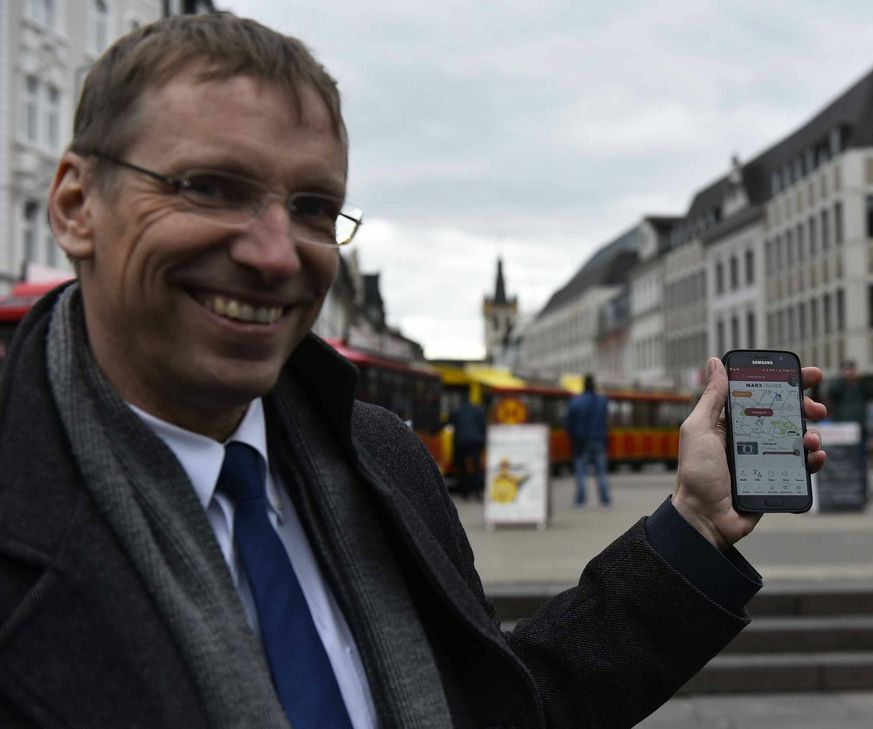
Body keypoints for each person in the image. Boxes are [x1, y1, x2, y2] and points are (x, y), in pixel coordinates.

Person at [0, 14, 829, 728]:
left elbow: (505, 710)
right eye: (212, 187)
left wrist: (696, 522)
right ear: (75, 204)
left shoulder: (381, 461)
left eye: (315, 208)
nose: (274, 252)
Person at [566, 374, 611, 509]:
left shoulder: (575, 401)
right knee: (601, 473)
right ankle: (605, 501)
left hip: (581, 442)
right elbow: (605, 422)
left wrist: (574, 438)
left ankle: (580, 502)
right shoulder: (602, 401)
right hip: (598, 440)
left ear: (583, 385)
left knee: (581, 474)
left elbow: (569, 423)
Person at [449, 398, 486, 500]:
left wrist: (433, 430)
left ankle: (465, 493)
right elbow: (483, 427)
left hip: (462, 442)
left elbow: (449, 424)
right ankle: (478, 493)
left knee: (463, 467)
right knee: (477, 466)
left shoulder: (457, 412)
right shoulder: (478, 411)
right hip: (476, 442)